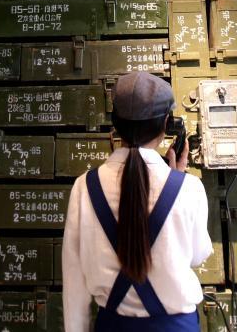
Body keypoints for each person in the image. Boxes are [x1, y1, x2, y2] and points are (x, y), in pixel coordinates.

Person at [62, 71, 213, 332]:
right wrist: (177, 180)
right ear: (166, 124)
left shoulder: (84, 187)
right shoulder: (189, 188)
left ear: (115, 124)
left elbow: (75, 284)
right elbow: (197, 256)